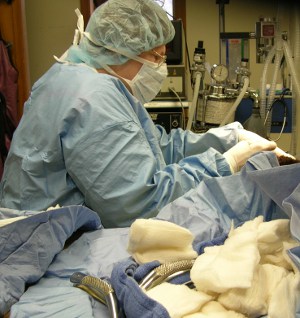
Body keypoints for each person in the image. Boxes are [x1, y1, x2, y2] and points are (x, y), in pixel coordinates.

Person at [0, 0, 284, 228]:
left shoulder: (73, 77)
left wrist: (228, 138)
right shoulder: (94, 99)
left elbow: (155, 147)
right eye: (156, 57)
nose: (160, 67)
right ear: (119, 50)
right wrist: (225, 163)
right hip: (44, 244)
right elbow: (139, 206)